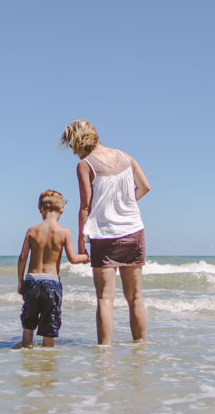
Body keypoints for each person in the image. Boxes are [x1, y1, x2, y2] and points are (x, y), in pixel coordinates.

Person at [60, 120, 151, 345]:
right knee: (135, 297)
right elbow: (145, 187)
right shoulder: (125, 157)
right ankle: (140, 349)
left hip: (104, 234)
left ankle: (104, 353)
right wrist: (124, 203)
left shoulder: (85, 165)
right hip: (133, 231)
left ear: (77, 142)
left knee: (104, 299)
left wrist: (81, 240)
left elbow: (85, 207)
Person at [16, 189, 90, 348]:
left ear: (40, 209)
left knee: (28, 323)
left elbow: (22, 258)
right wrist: (86, 257)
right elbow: (73, 259)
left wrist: (20, 282)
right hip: (52, 283)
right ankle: (47, 358)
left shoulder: (32, 231)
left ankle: (26, 352)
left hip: (32, 280)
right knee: (49, 326)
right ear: (62, 210)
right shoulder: (64, 232)